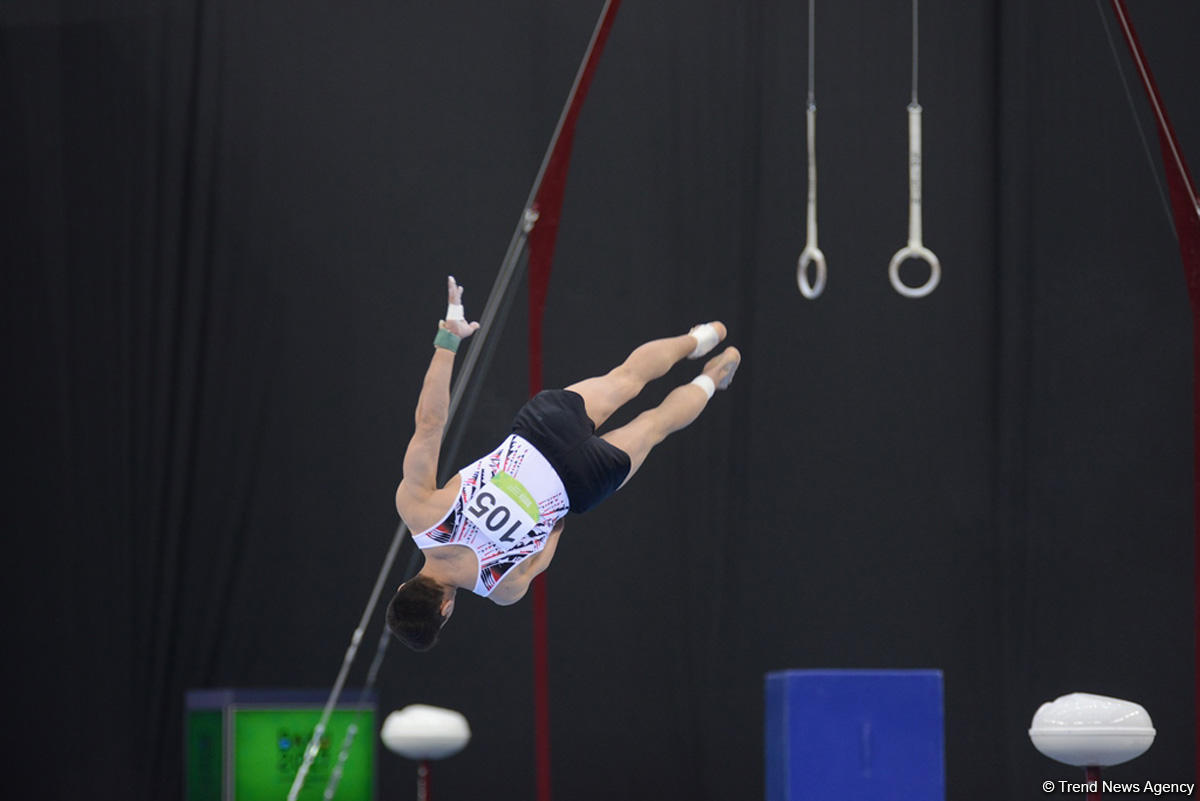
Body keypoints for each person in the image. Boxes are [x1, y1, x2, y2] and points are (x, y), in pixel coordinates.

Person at [387, 276, 740, 650]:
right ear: (403, 586)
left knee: (654, 426)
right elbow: (430, 423)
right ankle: (702, 338)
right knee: (626, 377)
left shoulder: (503, 588)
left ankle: (711, 380)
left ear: (444, 610)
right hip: (542, 431)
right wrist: (449, 339)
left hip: (579, 482)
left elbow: (551, 538)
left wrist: (542, 512)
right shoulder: (418, 508)